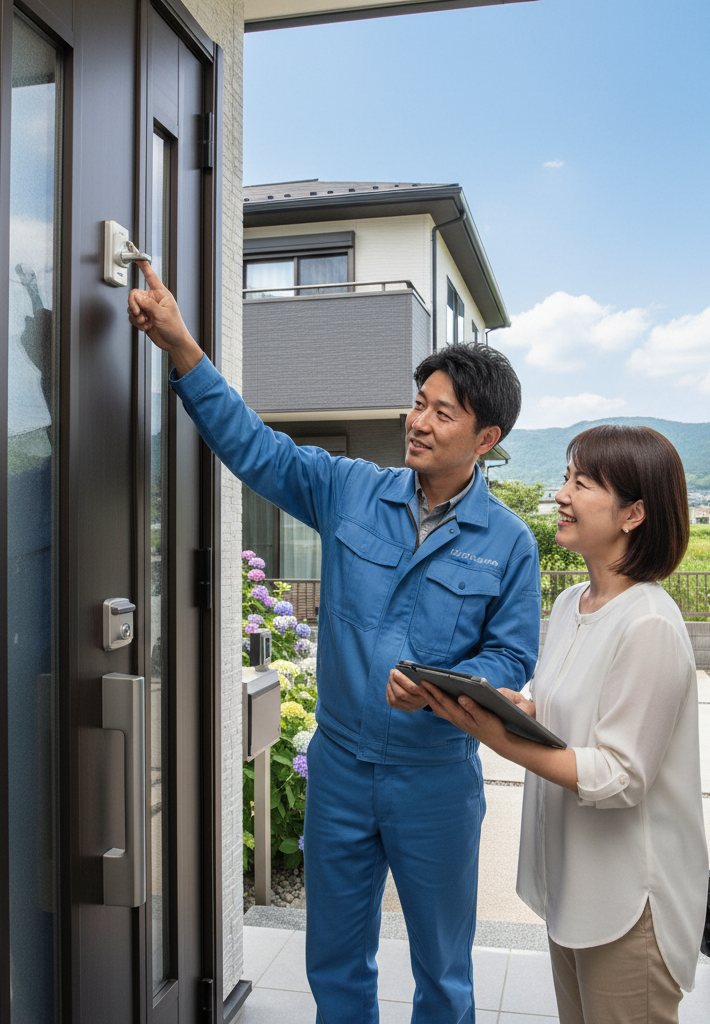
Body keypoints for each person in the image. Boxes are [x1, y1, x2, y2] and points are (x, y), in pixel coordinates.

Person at [127, 263, 541, 1023]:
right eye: (418, 404)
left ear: (487, 437)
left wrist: (448, 681)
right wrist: (183, 348)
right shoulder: (352, 488)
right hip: (343, 769)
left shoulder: (510, 543)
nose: (417, 421)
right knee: (336, 965)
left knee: (444, 972)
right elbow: (256, 449)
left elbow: (512, 657)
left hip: (438, 781)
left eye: (441, 413)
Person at [415, 424, 708, 1024]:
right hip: (576, 885)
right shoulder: (572, 602)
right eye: (566, 478)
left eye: (583, 483)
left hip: (631, 900)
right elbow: (563, 715)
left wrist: (498, 739)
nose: (562, 494)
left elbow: (620, 774)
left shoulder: (649, 622)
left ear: (634, 514)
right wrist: (508, 709)